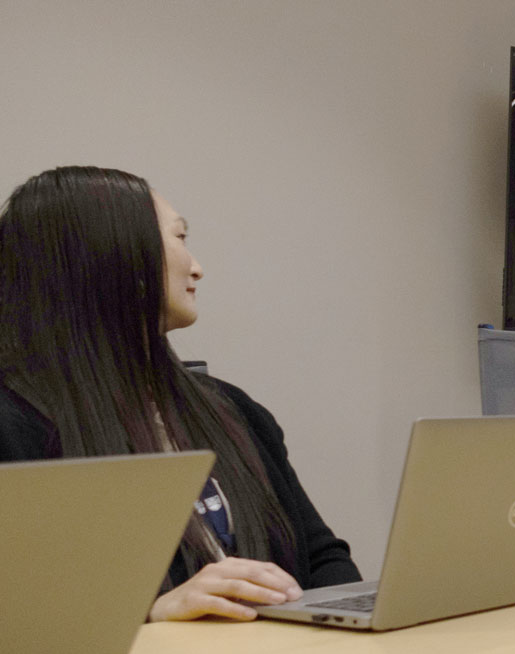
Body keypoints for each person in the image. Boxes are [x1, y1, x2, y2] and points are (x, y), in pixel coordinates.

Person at [0, 166, 360, 622]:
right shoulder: (14, 426)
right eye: (179, 237)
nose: (197, 267)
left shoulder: (232, 409)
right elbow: (26, 623)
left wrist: (349, 621)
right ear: (113, 254)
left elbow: (322, 557)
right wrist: (151, 615)